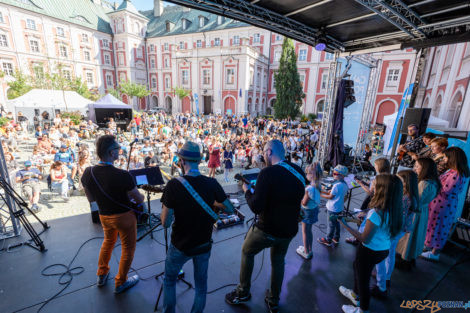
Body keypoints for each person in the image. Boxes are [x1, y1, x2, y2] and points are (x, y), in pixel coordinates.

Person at [225, 139, 306, 313]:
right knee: (278, 261)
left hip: (267, 229)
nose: (263, 155)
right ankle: (273, 300)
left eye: (263, 152)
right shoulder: (299, 171)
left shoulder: (268, 173)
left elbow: (256, 207)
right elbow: (287, 195)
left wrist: (247, 190)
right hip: (290, 229)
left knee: (247, 251)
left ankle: (242, 292)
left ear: (269, 152)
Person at [160, 141, 234, 313]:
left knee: (170, 280)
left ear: (182, 161)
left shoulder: (174, 185)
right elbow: (230, 208)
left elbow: (165, 222)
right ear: (199, 160)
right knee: (201, 287)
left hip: (180, 245)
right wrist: (213, 203)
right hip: (203, 244)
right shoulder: (212, 183)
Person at [81, 135, 144, 293]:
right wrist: (132, 195)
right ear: (111, 152)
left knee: (108, 242)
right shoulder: (122, 175)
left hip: (104, 216)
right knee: (128, 249)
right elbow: (139, 199)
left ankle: (102, 274)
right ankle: (121, 282)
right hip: (124, 218)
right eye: (117, 149)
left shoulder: (89, 172)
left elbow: (91, 198)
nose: (120, 151)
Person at [338, 174, 404, 313]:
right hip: (383, 250)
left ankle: (362, 309)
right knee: (356, 266)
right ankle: (355, 295)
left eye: (374, 184)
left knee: (363, 280)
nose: (371, 186)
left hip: (369, 251)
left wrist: (344, 225)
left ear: (381, 189)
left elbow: (364, 239)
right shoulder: (395, 209)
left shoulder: (376, 213)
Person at [372, 170, 418, 297]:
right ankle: (386, 276)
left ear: (405, 182)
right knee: (390, 253)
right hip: (401, 230)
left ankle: (383, 281)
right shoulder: (412, 197)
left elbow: (396, 215)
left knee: (383, 254)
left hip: (395, 229)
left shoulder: (404, 198)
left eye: (399, 179)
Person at [421, 147, 470, 261]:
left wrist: (432, 181)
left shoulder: (456, 174)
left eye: (446, 157)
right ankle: (429, 247)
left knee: (439, 227)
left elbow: (445, 190)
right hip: (440, 203)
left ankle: (434, 253)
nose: (444, 159)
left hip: (443, 205)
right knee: (433, 225)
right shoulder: (453, 171)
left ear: (452, 158)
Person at [396, 157, 440, 267]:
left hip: (415, 213)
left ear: (425, 168)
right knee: (415, 237)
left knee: (408, 237)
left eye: (417, 166)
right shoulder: (433, 182)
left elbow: (415, 200)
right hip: (422, 212)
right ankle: (408, 257)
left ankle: (405, 259)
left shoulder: (424, 184)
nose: (414, 169)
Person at [318, 164, 349, 247]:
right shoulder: (345, 184)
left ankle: (328, 240)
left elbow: (330, 196)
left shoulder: (336, 185)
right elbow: (334, 193)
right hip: (339, 208)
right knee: (337, 222)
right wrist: (326, 192)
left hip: (332, 208)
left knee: (331, 224)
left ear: (341, 175)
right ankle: (336, 238)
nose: (333, 174)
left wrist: (320, 194)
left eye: (335, 174)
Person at [296, 162, 322, 260]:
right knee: (309, 231)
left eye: (307, 173)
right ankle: (309, 249)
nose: (306, 175)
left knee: (304, 232)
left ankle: (306, 252)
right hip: (314, 210)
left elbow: (304, 203)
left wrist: (299, 198)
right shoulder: (318, 185)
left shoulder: (309, 189)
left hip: (307, 212)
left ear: (312, 175)